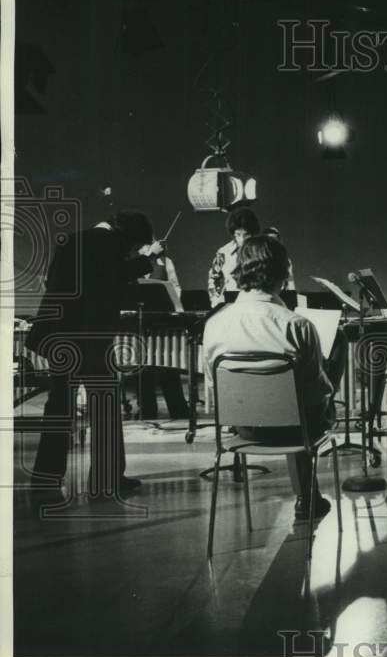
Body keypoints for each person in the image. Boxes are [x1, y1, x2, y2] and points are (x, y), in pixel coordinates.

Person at [27, 211, 165, 499]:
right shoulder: (105, 242)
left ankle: (45, 482)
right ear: (126, 236)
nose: (129, 252)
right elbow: (115, 276)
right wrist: (148, 258)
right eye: (132, 246)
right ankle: (106, 480)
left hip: (60, 335)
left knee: (59, 407)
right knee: (104, 406)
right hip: (88, 337)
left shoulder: (73, 241)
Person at [201, 235, 334, 521]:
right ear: (283, 274)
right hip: (296, 431)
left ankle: (307, 497)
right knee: (306, 402)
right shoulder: (298, 325)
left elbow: (213, 388)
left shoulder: (213, 324)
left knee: (295, 404)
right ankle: (308, 498)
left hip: (243, 431)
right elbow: (314, 392)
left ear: (240, 272)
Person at [137, 247, 190, 420]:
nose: (147, 247)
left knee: (169, 366)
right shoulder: (134, 260)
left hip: (163, 321)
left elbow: (175, 286)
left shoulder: (166, 262)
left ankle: (178, 409)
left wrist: (176, 306)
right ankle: (147, 411)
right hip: (140, 322)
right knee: (143, 369)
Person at [208, 207, 260, 307]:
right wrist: (216, 303)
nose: (242, 239)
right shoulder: (223, 252)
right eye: (238, 234)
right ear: (233, 233)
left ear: (253, 233)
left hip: (256, 304)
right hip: (230, 304)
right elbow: (214, 279)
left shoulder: (261, 251)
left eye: (246, 235)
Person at [262, 226, 297, 291]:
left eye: (273, 239)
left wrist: (292, 295)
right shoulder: (258, 258)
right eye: (268, 239)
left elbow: (290, 280)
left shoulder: (286, 261)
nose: (271, 241)